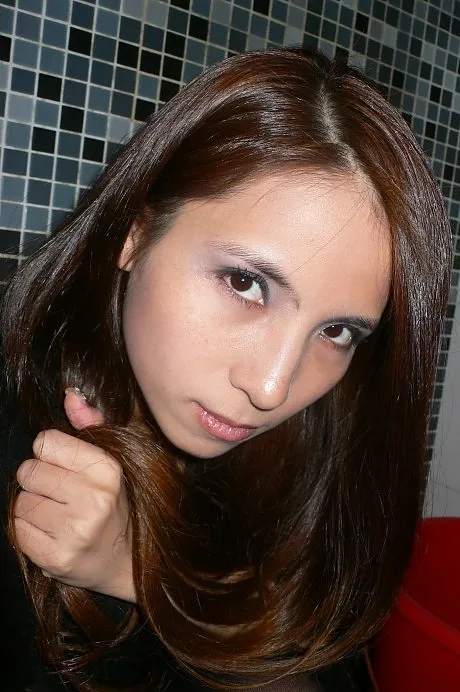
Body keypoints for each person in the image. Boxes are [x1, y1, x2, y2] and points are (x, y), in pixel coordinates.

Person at [0, 47, 451, 691]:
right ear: (134, 232)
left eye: (337, 331)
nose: (271, 389)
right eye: (245, 283)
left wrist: (138, 577)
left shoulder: (317, 447)